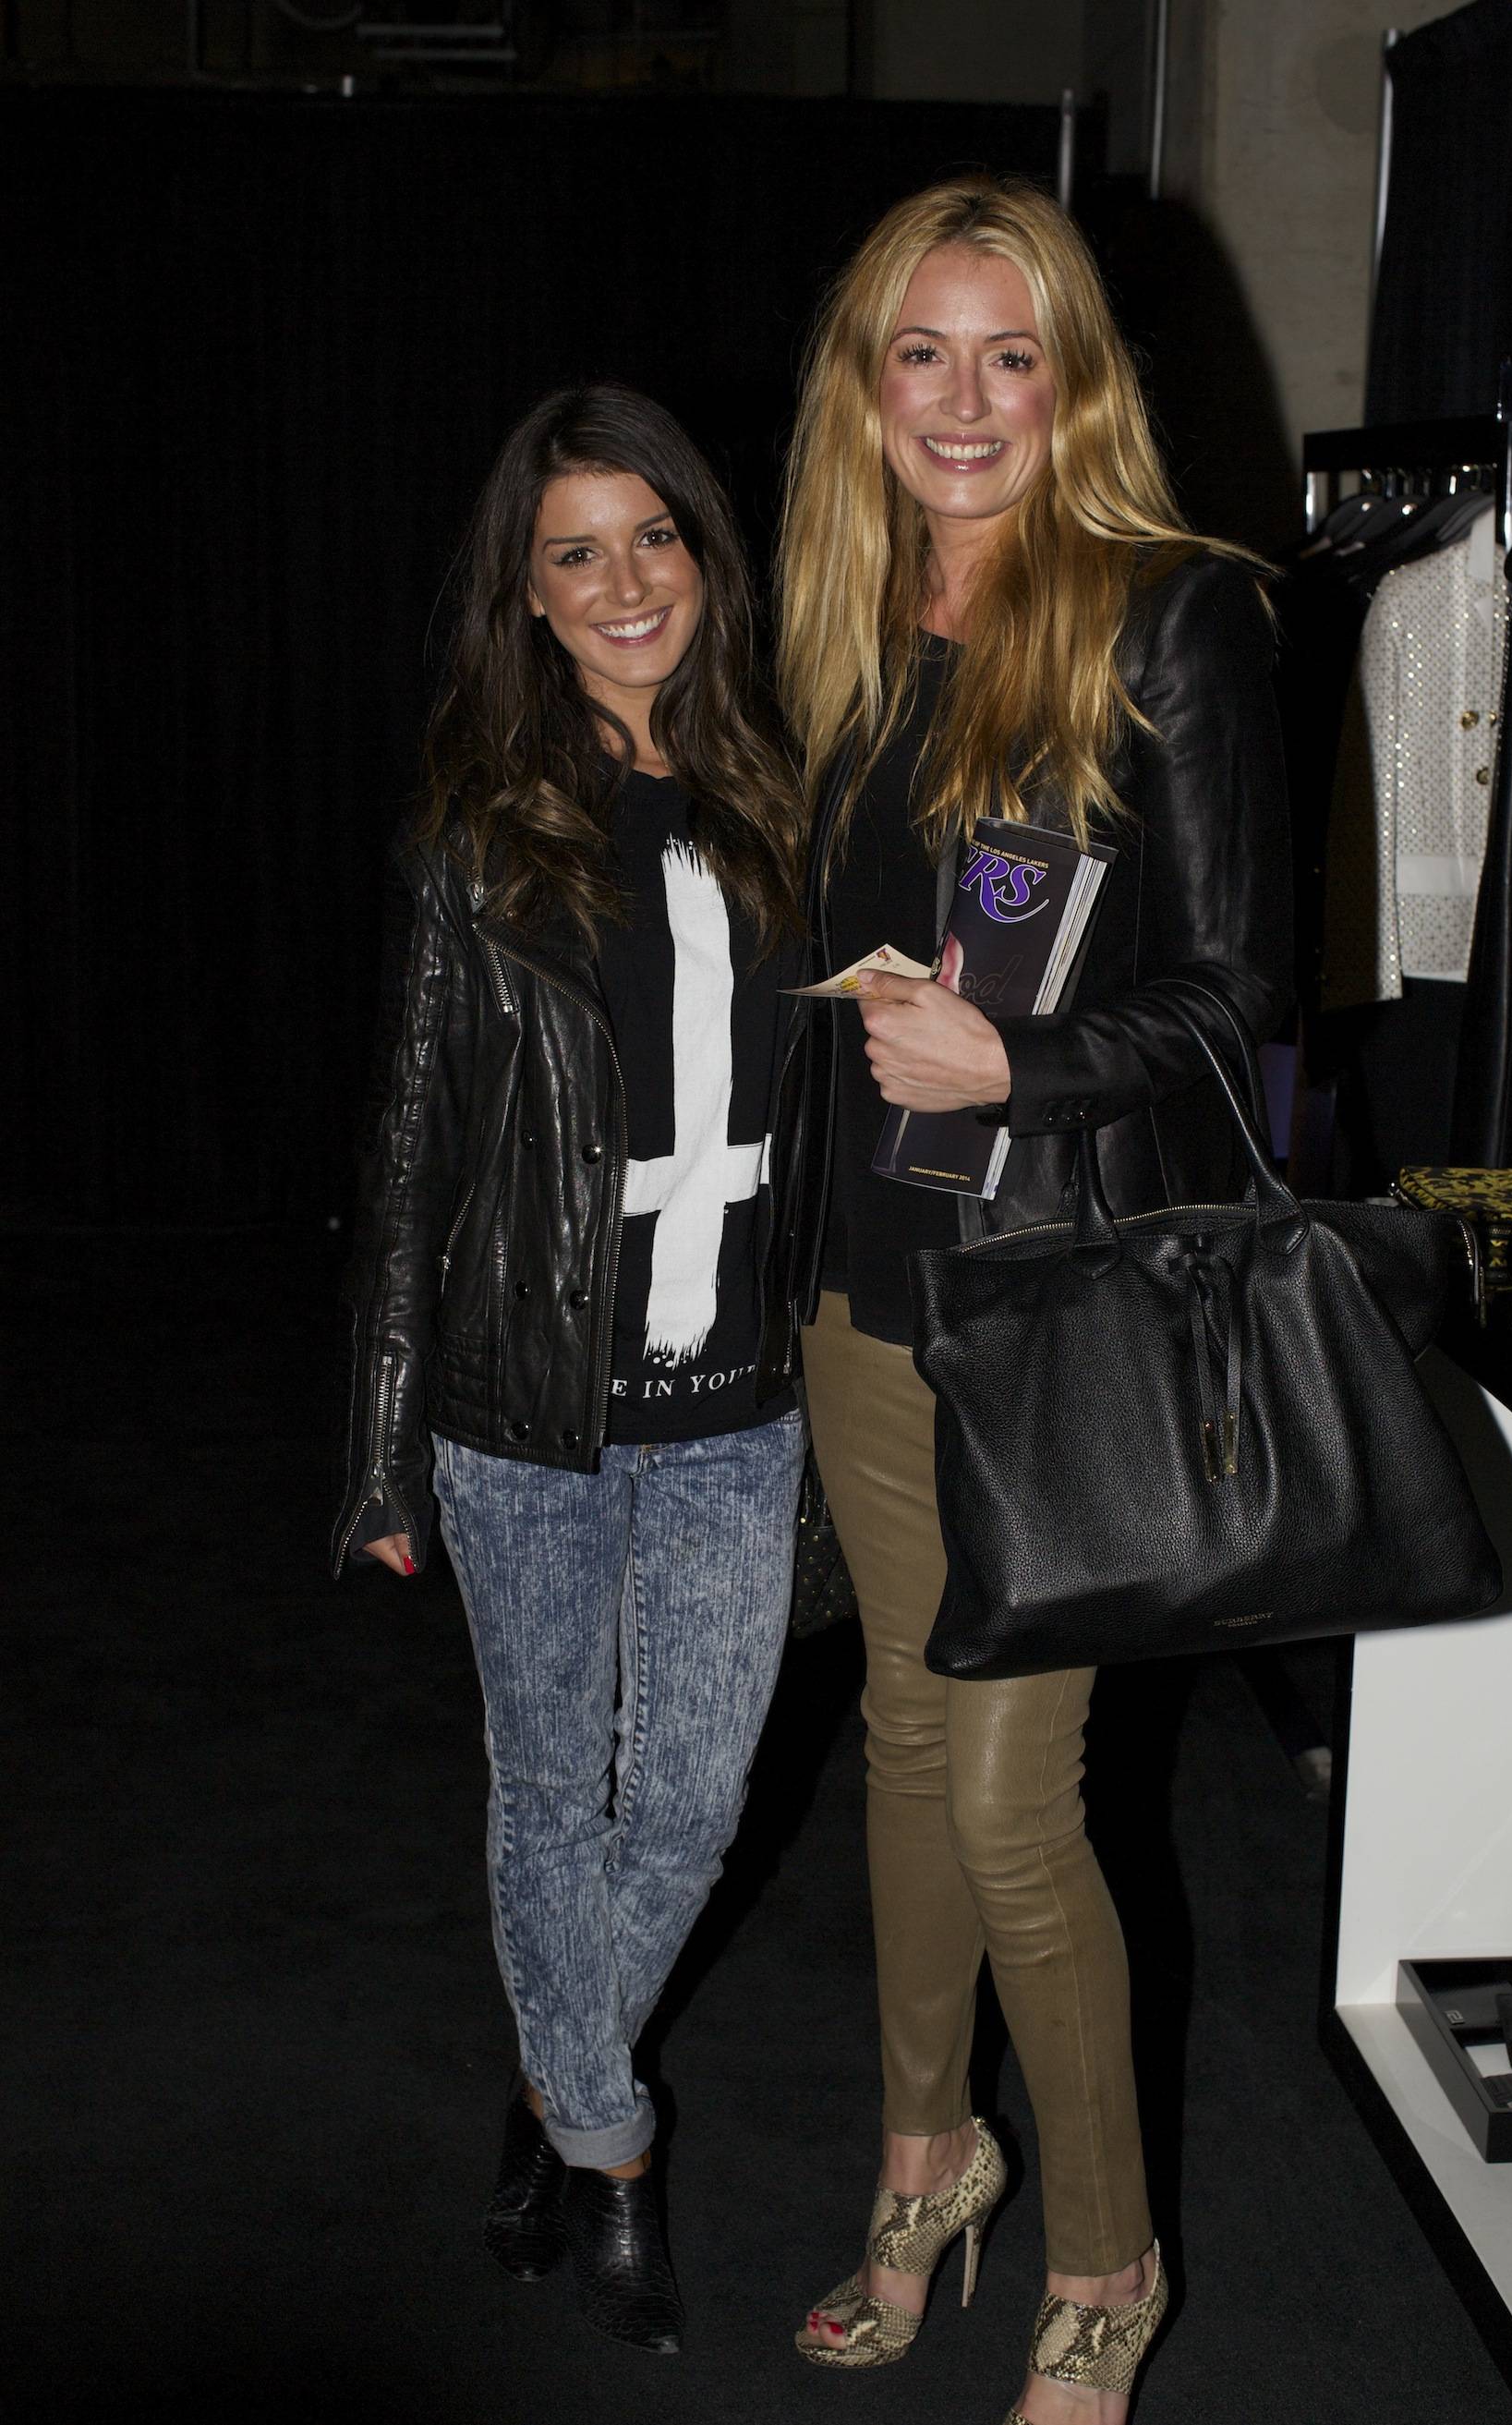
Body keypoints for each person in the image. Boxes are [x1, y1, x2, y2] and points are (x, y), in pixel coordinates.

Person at [770, 176, 1290, 2422]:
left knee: (1008, 1802)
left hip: (1060, 1300)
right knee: (901, 1739)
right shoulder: (832, 615)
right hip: (864, 1289)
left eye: (1011, 354)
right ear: (864, 383)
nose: (964, 402)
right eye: (922, 353)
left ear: (1073, 380)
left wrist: (1024, 1061)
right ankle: (924, 2157)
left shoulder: (1169, 613)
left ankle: (1104, 2258)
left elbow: (1241, 993)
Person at [332, 383, 807, 2356]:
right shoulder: (478, 829)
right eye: (574, 553)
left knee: (687, 1804)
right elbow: (410, 1145)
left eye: (652, 536)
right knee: (550, 1796)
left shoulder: (786, 798)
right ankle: (610, 2147)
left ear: (705, 552)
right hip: (525, 1409)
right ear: (525, 595)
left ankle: (548, 2089)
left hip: (739, 1406)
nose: (623, 583)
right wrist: (379, 1451)